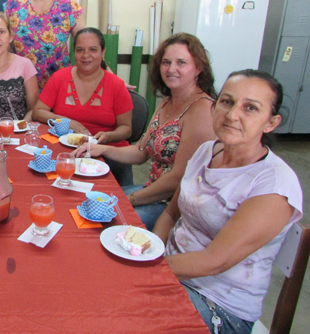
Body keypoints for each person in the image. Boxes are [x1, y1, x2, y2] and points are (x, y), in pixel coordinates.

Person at [153, 70, 303, 334]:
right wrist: (153, 251)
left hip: (220, 307)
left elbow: (214, 262)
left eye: (250, 108)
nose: (233, 115)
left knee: (124, 317)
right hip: (172, 272)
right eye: (227, 102)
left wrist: (147, 269)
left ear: (271, 122)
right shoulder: (208, 150)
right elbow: (171, 214)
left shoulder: (273, 184)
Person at [74, 33, 217, 229]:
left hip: (176, 207)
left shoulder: (202, 110)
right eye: (166, 62)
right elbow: (141, 152)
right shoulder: (167, 102)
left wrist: (130, 199)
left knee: (102, 222)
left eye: (181, 63)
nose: (171, 69)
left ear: (198, 68)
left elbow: (178, 179)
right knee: (85, 201)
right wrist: (102, 149)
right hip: (152, 192)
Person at [33, 27, 133, 185]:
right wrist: (66, 121)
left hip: (108, 153)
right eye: (80, 50)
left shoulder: (116, 85)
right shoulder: (60, 78)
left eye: (93, 49)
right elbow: (38, 112)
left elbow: (126, 129)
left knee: (115, 203)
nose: (86, 56)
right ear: (74, 53)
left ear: (103, 52)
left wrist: (108, 137)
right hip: (65, 152)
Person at [4, 0, 85, 90]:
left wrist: (109, 76)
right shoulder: (15, 3)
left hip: (59, 88)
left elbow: (88, 46)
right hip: (19, 88)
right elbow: (0, 42)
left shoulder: (69, 7)